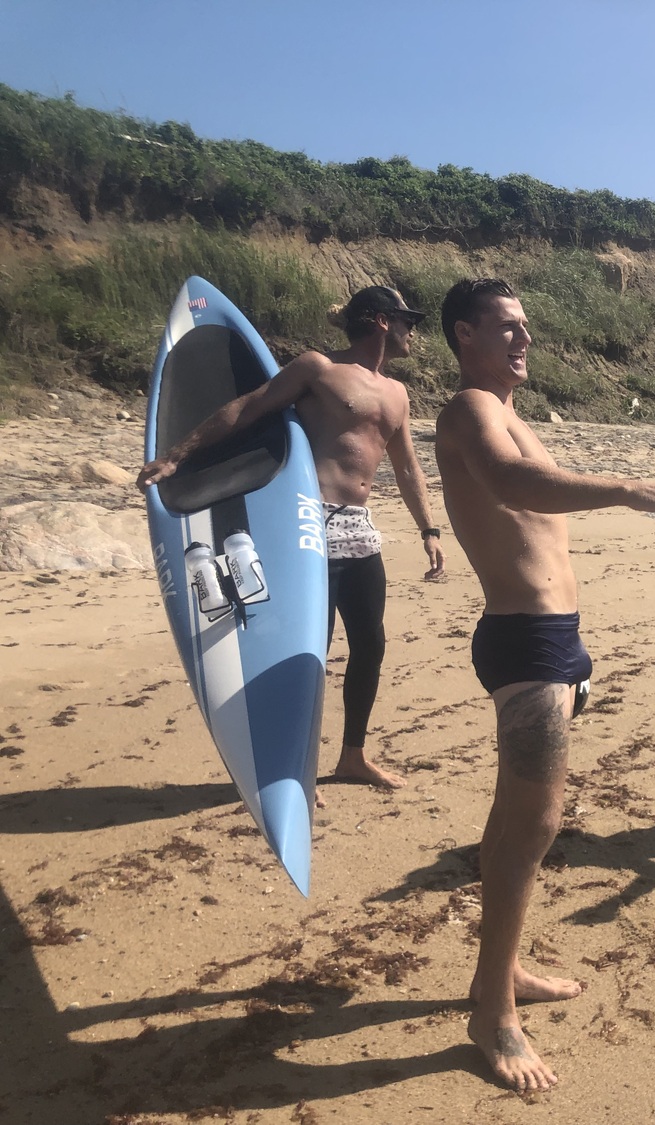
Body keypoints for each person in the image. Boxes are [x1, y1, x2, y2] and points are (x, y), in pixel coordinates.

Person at [433, 277, 655, 1091]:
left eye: (527, 327)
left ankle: (501, 970)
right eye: (507, 327)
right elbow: (514, 487)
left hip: (555, 642)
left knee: (515, 820)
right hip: (524, 643)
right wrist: (622, 486)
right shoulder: (470, 411)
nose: (525, 340)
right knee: (535, 822)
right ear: (465, 333)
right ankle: (490, 1016)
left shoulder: (512, 415)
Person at [138, 285, 445, 792]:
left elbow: (408, 466)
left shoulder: (397, 393)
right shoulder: (319, 369)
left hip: (360, 530)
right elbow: (248, 408)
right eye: (408, 319)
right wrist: (178, 454)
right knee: (310, 652)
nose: (415, 330)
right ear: (382, 321)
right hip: (309, 524)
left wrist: (428, 529)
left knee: (371, 645)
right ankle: (293, 767)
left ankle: (353, 757)